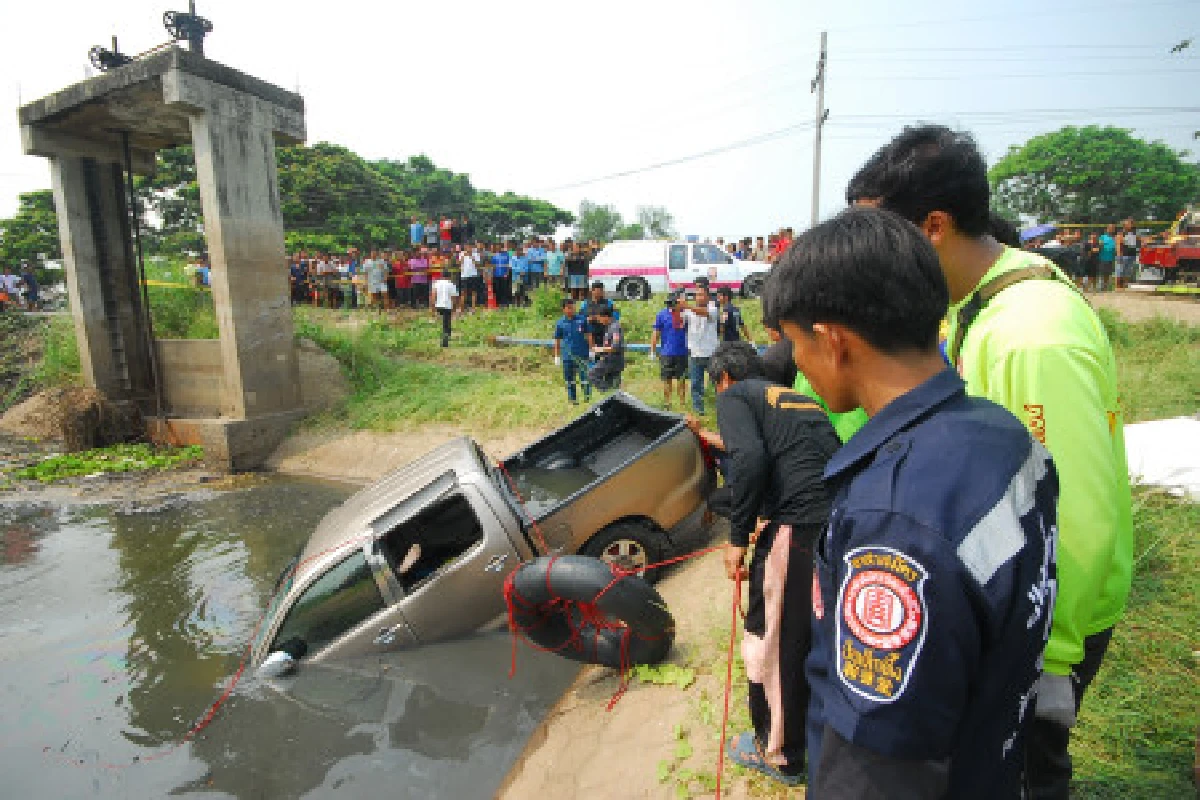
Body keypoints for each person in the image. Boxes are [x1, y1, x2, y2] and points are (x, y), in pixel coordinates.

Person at [848, 124, 1131, 799]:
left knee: (1026, 777)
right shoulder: (985, 303)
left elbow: (1079, 509)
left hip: (1045, 628)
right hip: (1022, 609)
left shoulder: (1030, 333)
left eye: (881, 238)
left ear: (935, 226)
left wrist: (1050, 663)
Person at [764, 206, 1059, 798]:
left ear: (832, 340)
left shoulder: (893, 521)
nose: (796, 363)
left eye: (794, 343)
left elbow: (879, 765)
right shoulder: (1003, 435)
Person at [686, 341, 839, 786]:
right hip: (832, 525)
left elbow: (749, 458)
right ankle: (807, 731)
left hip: (799, 531)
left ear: (725, 378)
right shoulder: (794, 399)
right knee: (810, 634)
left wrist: (738, 535)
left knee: (774, 641)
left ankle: (781, 755)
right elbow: (796, 459)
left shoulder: (736, 396)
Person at [679, 284, 719, 413]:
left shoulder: (712, 307)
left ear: (708, 296)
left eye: (701, 294)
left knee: (716, 382)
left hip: (711, 352)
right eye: (696, 295)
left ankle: (720, 406)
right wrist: (675, 309)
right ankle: (699, 409)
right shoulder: (688, 310)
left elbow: (705, 313)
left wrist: (687, 306)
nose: (698, 297)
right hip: (695, 353)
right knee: (696, 383)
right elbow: (678, 324)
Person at [650, 292, 690, 409]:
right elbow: (656, 333)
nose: (671, 306)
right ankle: (668, 403)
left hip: (682, 352)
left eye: (674, 303)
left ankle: (682, 403)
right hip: (666, 353)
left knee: (681, 379)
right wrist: (652, 350)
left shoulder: (686, 315)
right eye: (669, 303)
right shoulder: (662, 315)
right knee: (667, 379)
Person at [553, 297, 593, 405]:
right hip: (567, 356)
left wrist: (591, 350)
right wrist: (557, 356)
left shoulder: (582, 320)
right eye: (569, 308)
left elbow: (589, 335)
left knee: (585, 378)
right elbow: (557, 340)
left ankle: (588, 398)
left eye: (573, 307)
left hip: (582, 354)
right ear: (564, 309)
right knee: (569, 380)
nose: (572, 310)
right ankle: (573, 400)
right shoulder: (560, 323)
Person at [587, 304, 625, 392]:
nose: (599, 321)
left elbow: (615, 347)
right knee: (613, 383)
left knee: (592, 374)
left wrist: (599, 349)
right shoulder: (609, 327)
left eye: (599, 318)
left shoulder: (615, 327)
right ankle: (612, 394)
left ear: (606, 317)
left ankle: (608, 391)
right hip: (611, 360)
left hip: (613, 360)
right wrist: (600, 351)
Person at [579, 281, 616, 348]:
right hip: (589, 336)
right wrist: (586, 320)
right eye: (597, 292)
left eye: (601, 292)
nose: (599, 294)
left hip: (605, 334)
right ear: (592, 291)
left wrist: (598, 319)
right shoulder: (585, 304)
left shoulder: (609, 303)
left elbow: (615, 318)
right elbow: (580, 319)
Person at [430, 271, 460, 347]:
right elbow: (454, 298)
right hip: (447, 306)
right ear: (449, 277)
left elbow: (433, 296)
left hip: (438, 305)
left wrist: (433, 308)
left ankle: (445, 336)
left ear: (441, 276)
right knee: (447, 323)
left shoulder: (436, 284)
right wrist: (454, 309)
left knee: (443, 323)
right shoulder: (452, 285)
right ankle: (445, 340)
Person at [458, 247, 483, 311]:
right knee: (463, 292)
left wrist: (472, 257)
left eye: (470, 246)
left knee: (473, 292)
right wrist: (464, 256)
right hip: (464, 275)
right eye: (467, 246)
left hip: (473, 275)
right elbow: (458, 263)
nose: (469, 248)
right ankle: (461, 308)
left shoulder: (476, 254)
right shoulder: (461, 253)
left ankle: (473, 308)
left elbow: (478, 265)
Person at [1117, 219, 1139, 289]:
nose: (1132, 225)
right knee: (1120, 272)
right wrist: (1119, 255)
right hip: (1123, 255)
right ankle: (1118, 287)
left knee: (1128, 272)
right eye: (1130, 224)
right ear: (1125, 225)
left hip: (1132, 255)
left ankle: (1125, 286)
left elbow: (1141, 240)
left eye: (1132, 223)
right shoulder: (1121, 233)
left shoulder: (1134, 233)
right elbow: (1118, 245)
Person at [1097, 224, 1117, 292]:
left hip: (1111, 258)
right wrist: (1101, 245)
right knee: (1101, 274)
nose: (1111, 230)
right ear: (1107, 229)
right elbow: (1100, 245)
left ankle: (1106, 288)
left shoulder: (1115, 238)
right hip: (1102, 258)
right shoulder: (1102, 237)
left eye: (1112, 228)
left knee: (1108, 274)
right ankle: (1100, 288)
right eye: (1110, 228)